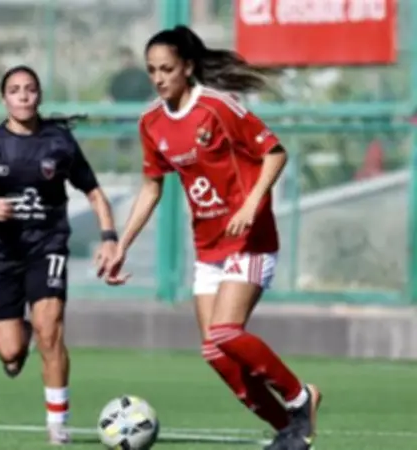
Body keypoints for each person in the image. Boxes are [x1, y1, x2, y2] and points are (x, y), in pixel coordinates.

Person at [101, 26, 322, 450]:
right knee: (216, 353)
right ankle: (289, 430)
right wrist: (121, 246)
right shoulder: (151, 122)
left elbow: (275, 153)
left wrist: (250, 205)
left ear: (187, 67)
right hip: (208, 247)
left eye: (167, 69)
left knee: (225, 332)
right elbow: (151, 188)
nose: (159, 78)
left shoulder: (218, 107)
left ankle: (300, 398)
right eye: (152, 70)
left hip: (250, 238)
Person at [0, 65, 118, 445]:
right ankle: (20, 336)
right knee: (9, 353)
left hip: (46, 246)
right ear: (4, 99)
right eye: (14, 90)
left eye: (30, 89)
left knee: (50, 328)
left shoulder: (60, 143)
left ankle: (58, 424)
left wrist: (109, 238)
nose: (23, 96)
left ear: (39, 95)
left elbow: (94, 193)